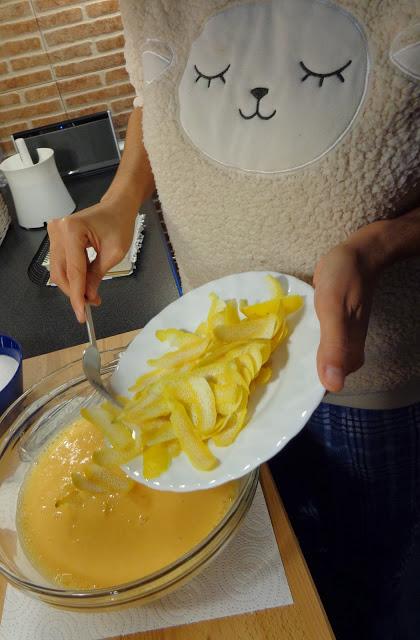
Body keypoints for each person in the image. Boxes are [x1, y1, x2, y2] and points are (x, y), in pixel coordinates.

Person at [47, 2, 420, 638]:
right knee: (280, 557)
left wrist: (379, 245)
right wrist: (118, 200)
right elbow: (160, 92)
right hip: (215, 359)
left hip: (372, 366)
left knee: (373, 570)